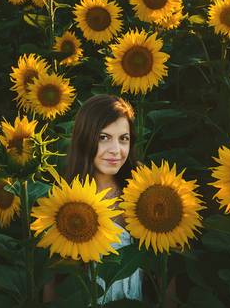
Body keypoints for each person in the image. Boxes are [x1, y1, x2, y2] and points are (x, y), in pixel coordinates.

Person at [42, 94, 177, 305]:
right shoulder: (63, 205)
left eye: (123, 138)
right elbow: (50, 286)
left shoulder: (144, 196)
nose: (115, 150)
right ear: (85, 138)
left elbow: (165, 273)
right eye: (104, 137)